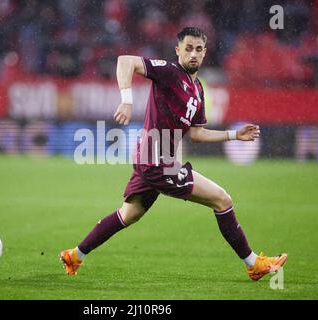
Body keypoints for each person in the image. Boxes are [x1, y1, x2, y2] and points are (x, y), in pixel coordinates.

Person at [60, 27, 287, 281]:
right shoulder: (169, 72)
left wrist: (234, 135)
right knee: (222, 199)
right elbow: (125, 61)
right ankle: (253, 264)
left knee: (129, 214)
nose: (193, 54)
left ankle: (75, 255)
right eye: (188, 48)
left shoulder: (198, 90)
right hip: (157, 160)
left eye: (198, 49)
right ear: (178, 50)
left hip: (154, 159)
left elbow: (197, 134)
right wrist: (126, 99)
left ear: (204, 53)